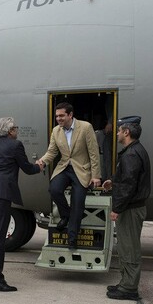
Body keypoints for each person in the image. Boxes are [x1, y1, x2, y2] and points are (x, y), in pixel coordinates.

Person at [0, 117, 42, 291]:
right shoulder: (15, 145)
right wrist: (39, 167)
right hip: (0, 195)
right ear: (11, 131)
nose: (17, 131)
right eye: (16, 128)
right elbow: (27, 168)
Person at [37, 102, 101, 251]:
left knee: (78, 204)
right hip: (64, 167)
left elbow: (94, 153)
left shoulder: (85, 127)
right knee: (54, 189)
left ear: (70, 115)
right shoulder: (56, 131)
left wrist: (96, 176)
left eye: (61, 116)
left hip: (81, 169)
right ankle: (65, 215)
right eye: (57, 116)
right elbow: (52, 152)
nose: (58, 119)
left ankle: (72, 238)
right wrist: (42, 162)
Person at [102, 116, 151, 301]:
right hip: (131, 207)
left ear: (126, 132)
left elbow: (129, 185)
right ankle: (125, 283)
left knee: (129, 248)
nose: (116, 133)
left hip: (129, 209)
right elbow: (128, 179)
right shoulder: (135, 150)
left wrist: (117, 208)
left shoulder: (131, 154)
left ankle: (129, 288)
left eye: (119, 130)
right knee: (126, 246)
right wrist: (113, 182)